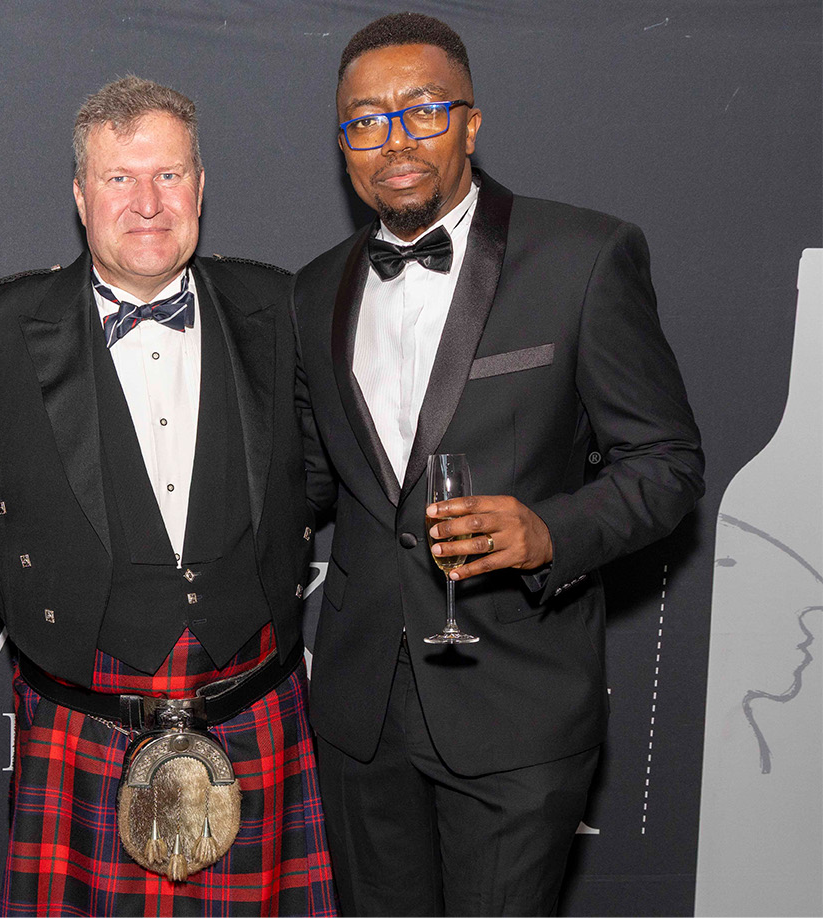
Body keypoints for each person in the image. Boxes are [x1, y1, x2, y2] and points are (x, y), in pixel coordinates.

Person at [293, 13, 705, 916]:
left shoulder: (583, 256)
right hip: (363, 716)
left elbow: (667, 462)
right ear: (343, 144)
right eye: (365, 121)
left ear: (471, 123)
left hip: (517, 705)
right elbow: (315, 479)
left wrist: (549, 531)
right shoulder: (316, 288)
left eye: (422, 110)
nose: (394, 140)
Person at [0, 76, 336, 916]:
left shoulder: (278, 307)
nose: (148, 203)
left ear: (200, 186)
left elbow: (316, 471)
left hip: (251, 702)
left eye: (168, 175)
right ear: (80, 195)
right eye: (120, 179)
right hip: (84, 719)